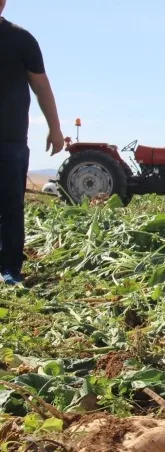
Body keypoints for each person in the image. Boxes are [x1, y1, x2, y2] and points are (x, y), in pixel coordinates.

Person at [0, 0, 64, 285]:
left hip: (10, 138)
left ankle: (10, 269)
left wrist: (55, 128)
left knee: (12, 203)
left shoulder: (21, 40)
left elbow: (41, 86)